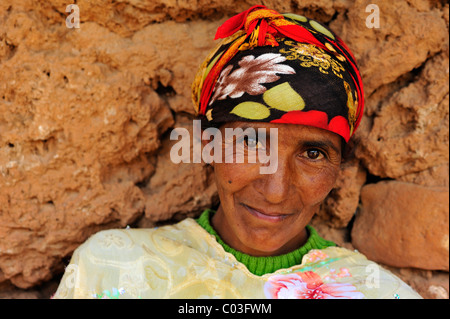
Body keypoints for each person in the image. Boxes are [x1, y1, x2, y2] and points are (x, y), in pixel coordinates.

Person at [53, 5, 422, 299]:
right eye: (250, 143)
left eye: (313, 153)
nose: (276, 190)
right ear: (208, 144)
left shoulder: (378, 292)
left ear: (339, 165)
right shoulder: (108, 268)